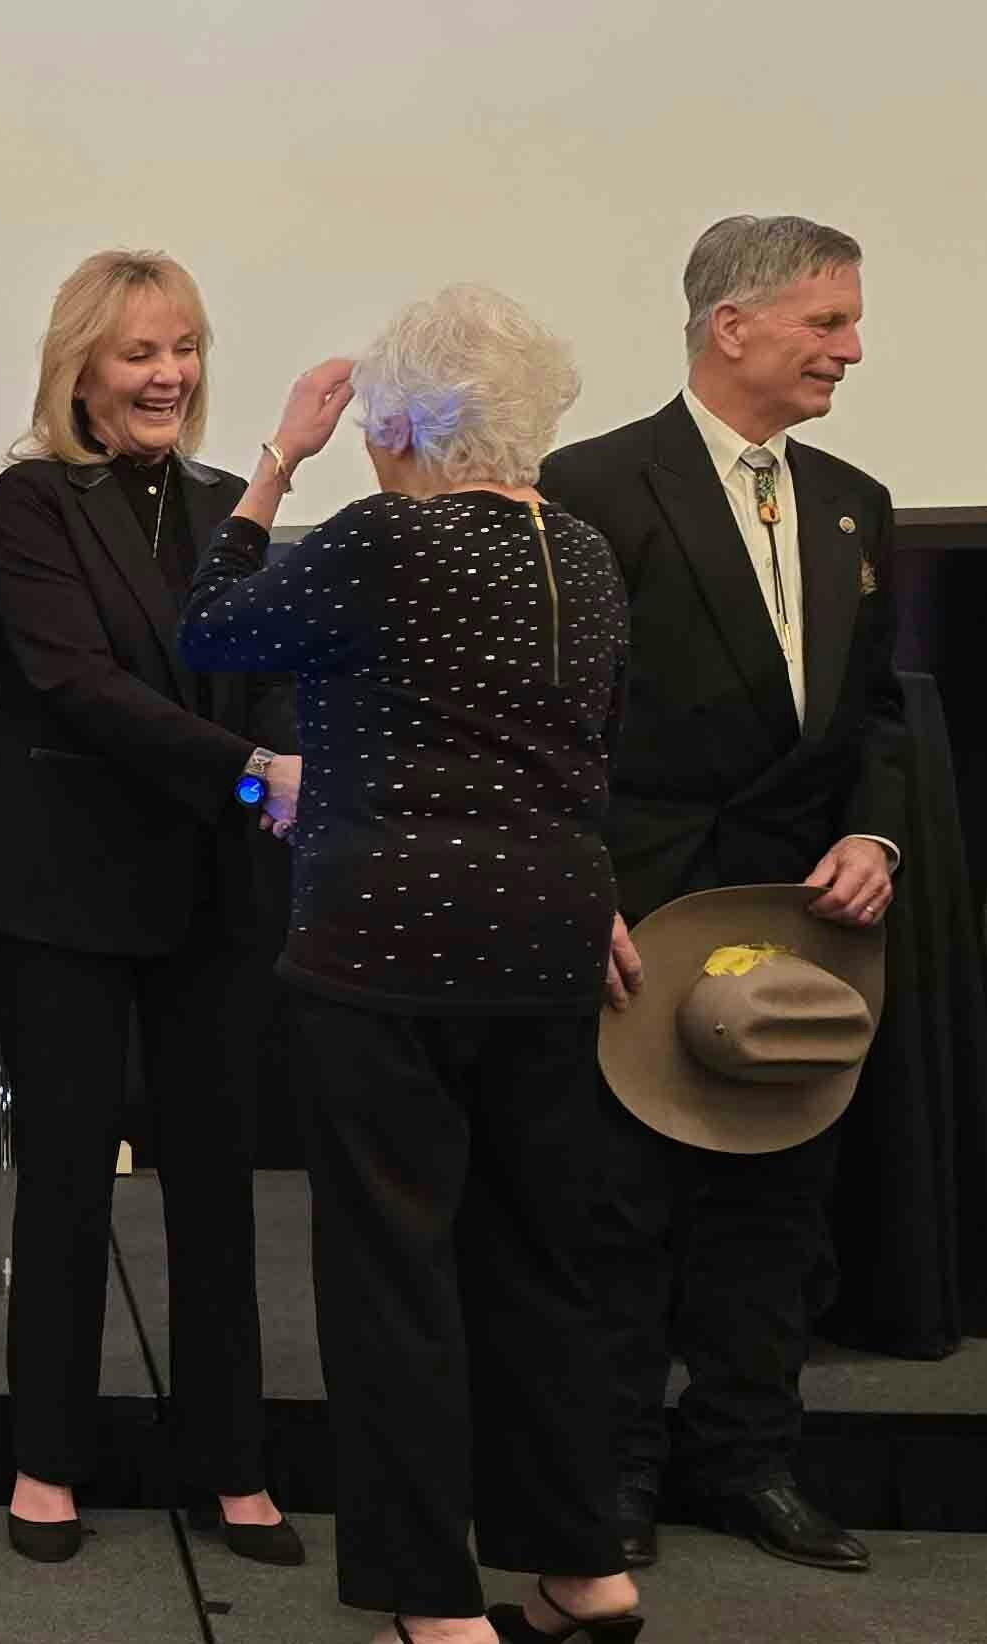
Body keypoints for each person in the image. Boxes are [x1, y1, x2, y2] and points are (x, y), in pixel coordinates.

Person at [183, 287, 646, 1644]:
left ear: (394, 421)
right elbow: (585, 753)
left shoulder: (384, 536)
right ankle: (584, 1570)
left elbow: (211, 629)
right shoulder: (584, 550)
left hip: (387, 950)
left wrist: (275, 461)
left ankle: (428, 1607)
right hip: (550, 941)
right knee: (538, 1269)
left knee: (394, 1276)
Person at [540, 213, 907, 1575]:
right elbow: (546, 716)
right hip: (637, 918)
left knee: (776, 1208)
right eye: (824, 322)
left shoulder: (852, 503)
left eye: (848, 321)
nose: (849, 349)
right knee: (616, 1213)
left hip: (800, 927)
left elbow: (872, 718)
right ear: (729, 327)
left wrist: (876, 839)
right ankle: (612, 1478)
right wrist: (581, 892)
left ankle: (745, 1460)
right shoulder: (590, 485)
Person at [0, 250, 298, 1568]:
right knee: (63, 1189)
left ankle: (233, 1466)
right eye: (137, 354)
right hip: (63, 894)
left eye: (184, 348)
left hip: (217, 895)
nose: (168, 375)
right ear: (81, 373)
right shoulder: (32, 498)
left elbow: (268, 663)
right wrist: (244, 768)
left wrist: (280, 753)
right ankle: (46, 1461)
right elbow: (73, 683)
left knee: (217, 1192)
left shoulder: (230, 505)